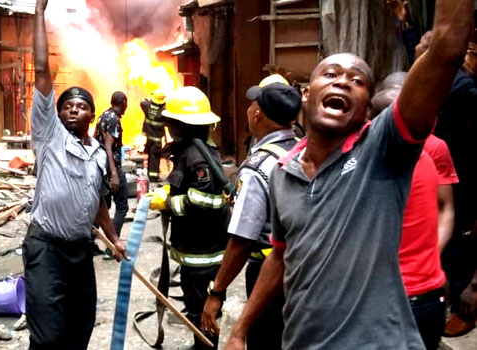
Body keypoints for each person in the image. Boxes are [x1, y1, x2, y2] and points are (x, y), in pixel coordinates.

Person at [224, 0, 474, 348]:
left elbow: (447, 47)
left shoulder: (381, 149)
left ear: (366, 110)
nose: (342, 82)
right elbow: (281, 255)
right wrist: (239, 330)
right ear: (306, 95)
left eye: (357, 81)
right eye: (330, 74)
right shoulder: (282, 173)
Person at [23, 1, 128, 349]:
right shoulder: (49, 136)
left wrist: (114, 237)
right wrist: (39, 13)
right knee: (48, 333)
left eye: (80, 105)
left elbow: (96, 201)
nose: (72, 109)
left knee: (80, 327)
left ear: (91, 115)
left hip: (80, 250)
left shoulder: (97, 153)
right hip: (47, 248)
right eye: (67, 105)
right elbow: (41, 71)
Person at [201, 74, 301, 350]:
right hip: (304, 270)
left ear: (257, 114)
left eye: (252, 105)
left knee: (266, 340)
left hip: (269, 275)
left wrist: (216, 291)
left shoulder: (258, 166)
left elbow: (243, 239)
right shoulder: (304, 148)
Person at [371, 81, 459, 350]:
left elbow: (446, 208)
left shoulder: (430, 156)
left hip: (415, 293)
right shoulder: (360, 162)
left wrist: (431, 257)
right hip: (383, 293)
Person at [147, 86, 231, 349]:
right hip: (199, 249)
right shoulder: (198, 149)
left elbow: (205, 200)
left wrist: (169, 202)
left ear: (178, 125)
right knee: (199, 308)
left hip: (202, 254)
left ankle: (205, 346)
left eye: (170, 122)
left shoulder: (197, 157)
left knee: (201, 311)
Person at [415, 26, 477, 336]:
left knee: (458, 241)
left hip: (461, 172)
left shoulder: (462, 87)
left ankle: (467, 305)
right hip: (440, 165)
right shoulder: (439, 81)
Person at [94, 91, 129, 259]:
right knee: (122, 207)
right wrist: (114, 173)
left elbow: (95, 140)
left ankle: (89, 242)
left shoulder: (103, 116)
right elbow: (109, 147)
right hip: (111, 167)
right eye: (126, 104)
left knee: (103, 207)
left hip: (101, 166)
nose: (126, 107)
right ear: (122, 102)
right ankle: (111, 248)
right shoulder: (114, 119)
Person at [140, 90, 166, 181]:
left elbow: (142, 101)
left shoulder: (147, 106)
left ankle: (150, 173)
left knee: (151, 155)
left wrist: (150, 97)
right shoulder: (163, 111)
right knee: (155, 156)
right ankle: (154, 176)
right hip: (157, 138)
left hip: (149, 136)